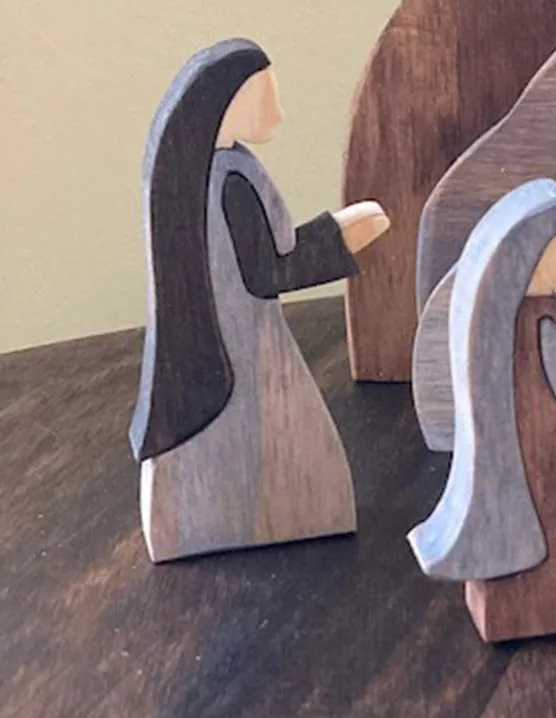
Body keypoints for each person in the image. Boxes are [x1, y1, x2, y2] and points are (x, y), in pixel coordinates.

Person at [130, 38, 389, 560]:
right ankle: (261, 514)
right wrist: (342, 237)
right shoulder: (228, 177)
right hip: (249, 353)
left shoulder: (202, 174)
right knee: (286, 450)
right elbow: (268, 270)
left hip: (240, 343)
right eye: (266, 99)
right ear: (228, 103)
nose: (279, 114)